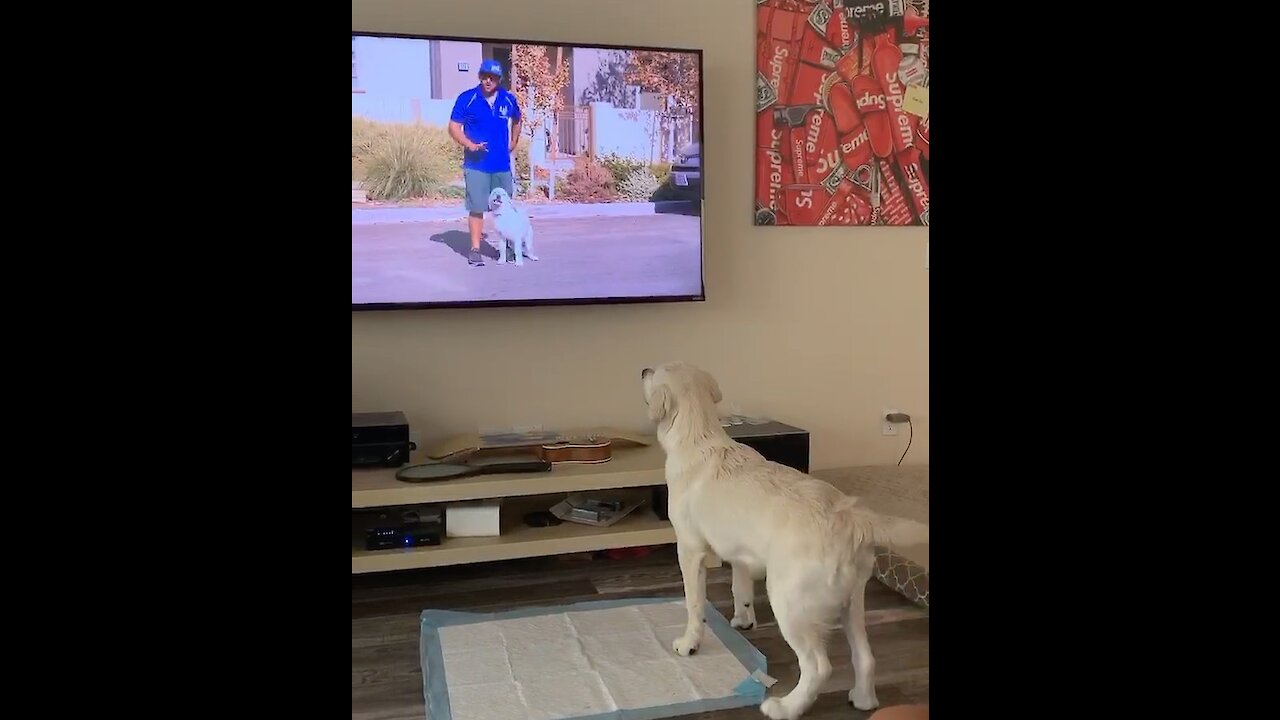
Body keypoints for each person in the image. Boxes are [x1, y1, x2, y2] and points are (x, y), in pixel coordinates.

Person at [448, 59, 523, 266]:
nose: (488, 81)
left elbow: (517, 119)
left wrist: (514, 141)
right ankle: (474, 249)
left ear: (499, 79)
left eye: (493, 77)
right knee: (477, 207)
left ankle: (508, 247)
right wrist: (470, 145)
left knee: (506, 208)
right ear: (480, 76)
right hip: (477, 165)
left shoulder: (508, 99)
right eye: (485, 76)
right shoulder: (467, 98)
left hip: (501, 165)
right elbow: (454, 127)